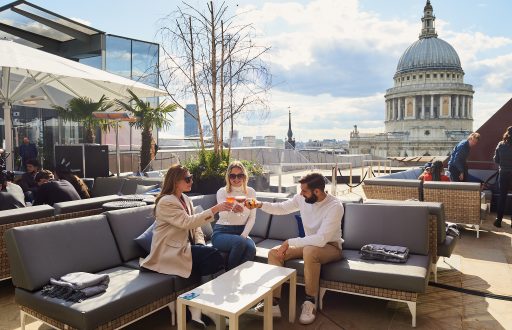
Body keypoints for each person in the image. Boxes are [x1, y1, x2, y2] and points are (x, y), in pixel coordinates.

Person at [140, 164, 233, 328]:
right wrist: (216, 209)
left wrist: (200, 245)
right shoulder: (166, 202)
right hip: (168, 252)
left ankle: (200, 309)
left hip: (184, 248)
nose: (191, 181)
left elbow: (196, 228)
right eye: (188, 179)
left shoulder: (186, 199)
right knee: (213, 256)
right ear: (176, 181)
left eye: (191, 178)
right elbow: (187, 222)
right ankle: (209, 307)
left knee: (209, 257)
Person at [245, 172, 343, 325]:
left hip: (330, 246)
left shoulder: (335, 206)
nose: (300, 193)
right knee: (275, 253)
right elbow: (281, 208)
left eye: (304, 191)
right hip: (308, 244)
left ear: (317, 191)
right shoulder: (302, 198)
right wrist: (259, 204)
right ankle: (274, 303)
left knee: (309, 250)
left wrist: (289, 241)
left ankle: (311, 301)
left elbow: (321, 239)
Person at [212, 161, 257, 270]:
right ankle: (228, 275)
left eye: (240, 175)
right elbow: (222, 212)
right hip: (222, 232)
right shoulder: (222, 192)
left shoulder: (250, 192)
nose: (236, 179)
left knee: (251, 248)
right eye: (232, 176)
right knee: (240, 242)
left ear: (244, 176)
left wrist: (244, 235)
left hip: (241, 231)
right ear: (228, 176)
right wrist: (232, 209)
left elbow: (252, 217)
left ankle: (237, 277)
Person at [493, 127, 512, 228]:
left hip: (503, 173)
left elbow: (496, 160)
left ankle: (498, 221)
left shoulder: (501, 144)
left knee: (502, 196)